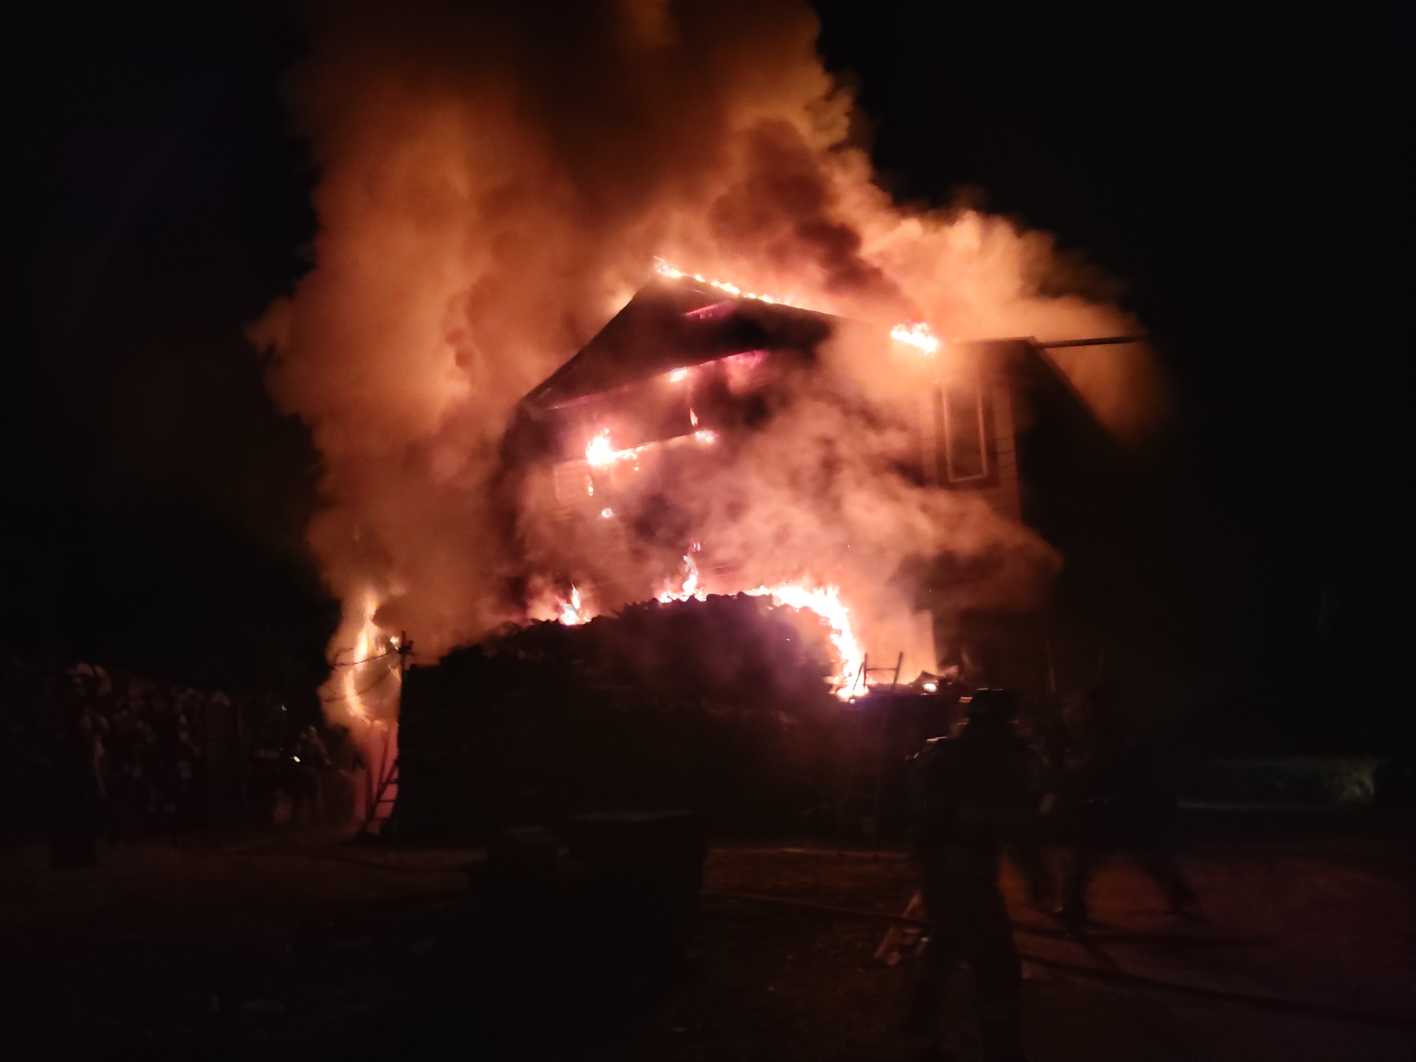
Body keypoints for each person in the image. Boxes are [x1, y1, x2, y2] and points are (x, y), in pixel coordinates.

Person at [906, 688, 1037, 1062]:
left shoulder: (943, 754)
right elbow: (1008, 822)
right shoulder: (990, 760)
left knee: (945, 945)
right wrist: (1033, 869)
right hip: (965, 874)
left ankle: (920, 1031)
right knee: (995, 964)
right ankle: (1000, 1049)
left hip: (940, 870)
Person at [1053, 684, 1198, 930]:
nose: (1068, 713)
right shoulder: (1092, 736)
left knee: (1091, 856)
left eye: (1074, 708)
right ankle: (1073, 905)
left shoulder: (1108, 738)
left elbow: (1102, 770)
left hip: (1120, 806)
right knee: (1094, 856)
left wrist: (1076, 775)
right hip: (1115, 806)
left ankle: (1073, 906)